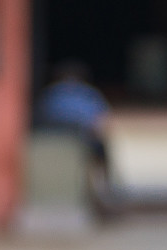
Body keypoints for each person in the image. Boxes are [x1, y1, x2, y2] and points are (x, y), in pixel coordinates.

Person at [34, 60, 112, 209]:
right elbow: (101, 122)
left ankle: (100, 188)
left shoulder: (50, 94)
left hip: (51, 141)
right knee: (100, 151)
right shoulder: (87, 94)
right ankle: (102, 188)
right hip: (74, 140)